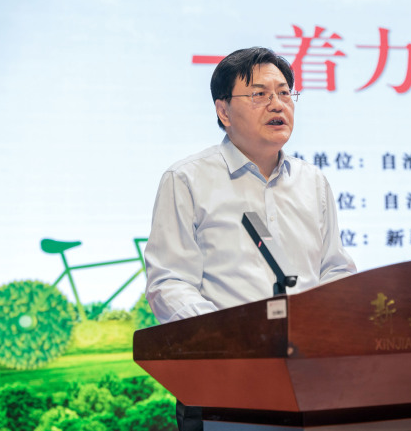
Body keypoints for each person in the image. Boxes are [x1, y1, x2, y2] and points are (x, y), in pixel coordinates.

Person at [143, 47, 356, 430]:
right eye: (259, 94)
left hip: (311, 381)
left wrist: (326, 330)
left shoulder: (313, 182)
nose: (277, 104)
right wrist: (230, 339)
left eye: (285, 93)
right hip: (223, 384)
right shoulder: (187, 179)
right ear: (223, 111)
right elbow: (169, 283)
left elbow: (335, 269)